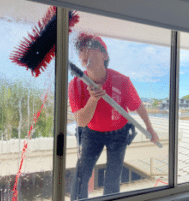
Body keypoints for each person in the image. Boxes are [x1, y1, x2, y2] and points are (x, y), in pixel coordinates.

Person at [68, 33, 160, 200]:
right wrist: (93, 99)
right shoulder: (75, 84)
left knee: (113, 176)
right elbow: (81, 121)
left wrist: (150, 128)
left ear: (104, 55)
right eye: (80, 49)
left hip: (119, 133)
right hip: (91, 132)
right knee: (82, 174)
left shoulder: (122, 81)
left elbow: (137, 105)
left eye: (90, 46)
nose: (83, 51)